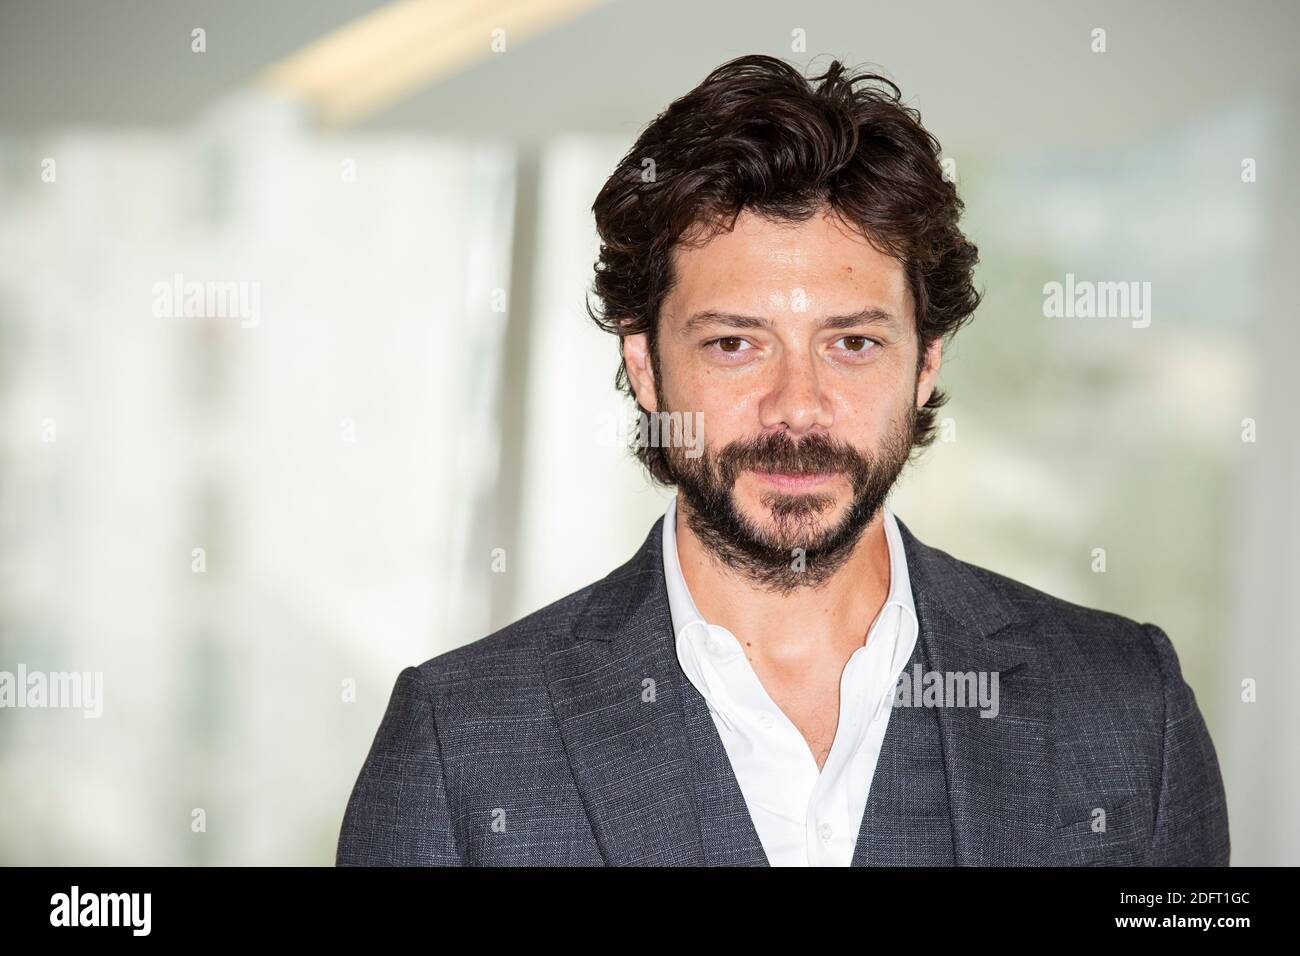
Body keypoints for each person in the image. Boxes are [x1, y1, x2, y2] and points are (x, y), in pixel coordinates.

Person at [336, 54, 1229, 866]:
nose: (796, 407)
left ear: (926, 364)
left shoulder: (1126, 707)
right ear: (646, 365)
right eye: (735, 344)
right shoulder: (459, 744)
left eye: (851, 343)